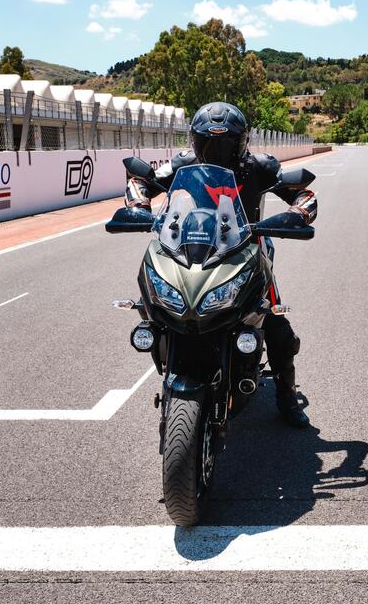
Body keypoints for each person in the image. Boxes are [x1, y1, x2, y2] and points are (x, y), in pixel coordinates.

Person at [126, 101, 317, 428]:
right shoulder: (183, 163)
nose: (217, 150)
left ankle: (287, 397)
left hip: (249, 250)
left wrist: (298, 212)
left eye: (227, 143)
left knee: (279, 330)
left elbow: (304, 194)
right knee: (159, 304)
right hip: (192, 247)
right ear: (195, 140)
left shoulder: (260, 166)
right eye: (209, 142)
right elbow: (143, 181)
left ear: (242, 141)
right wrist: (139, 203)